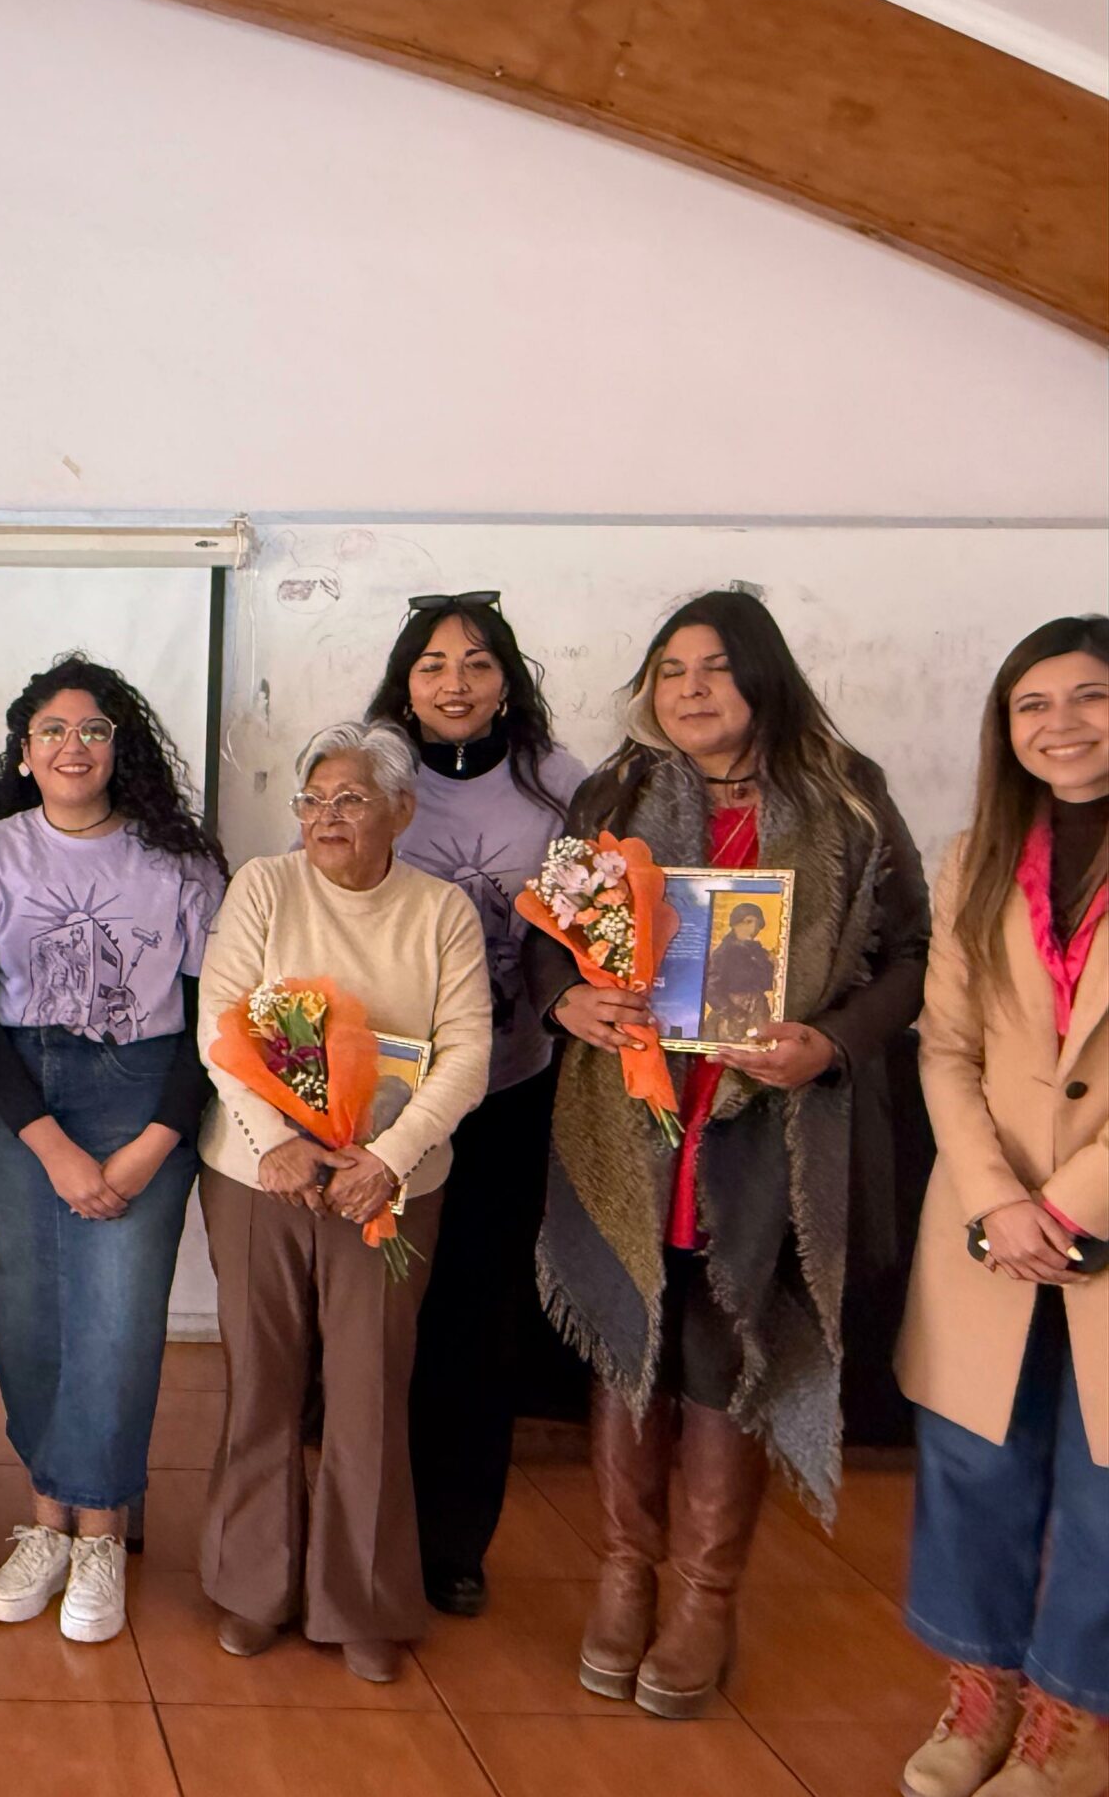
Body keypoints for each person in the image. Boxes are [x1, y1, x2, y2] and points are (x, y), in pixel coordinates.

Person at [534, 589, 928, 1721]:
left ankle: (706, 1597)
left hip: (769, 1120)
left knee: (727, 1344)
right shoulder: (614, 793)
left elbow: (909, 955)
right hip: (631, 1115)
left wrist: (832, 1043)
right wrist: (567, 1003)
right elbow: (549, 935)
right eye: (670, 671)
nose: (689, 690)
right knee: (630, 1339)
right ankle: (625, 1573)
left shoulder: (846, 796)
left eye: (712, 668)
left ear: (762, 676)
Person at [197, 719, 489, 1680]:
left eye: (351, 799)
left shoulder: (442, 911)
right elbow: (219, 1025)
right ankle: (252, 1587)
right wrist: (276, 1144)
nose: (327, 817)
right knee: (263, 1383)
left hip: (389, 1184)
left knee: (369, 1392)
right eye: (313, 800)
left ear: (400, 811)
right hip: (260, 1178)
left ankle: (359, 1598)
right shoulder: (263, 886)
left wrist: (391, 1159)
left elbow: (467, 1054)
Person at [0, 655, 227, 1645]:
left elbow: (213, 1016)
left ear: (121, 747)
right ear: (24, 754)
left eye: (94, 730)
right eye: (53, 731)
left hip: (142, 1091)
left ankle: (99, 1532)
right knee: (23, 1314)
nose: (74, 746)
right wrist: (50, 1146)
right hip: (21, 1096)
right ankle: (48, 1523)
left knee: (116, 1319)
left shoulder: (181, 862)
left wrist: (155, 1140)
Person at [895, 615, 1109, 1797]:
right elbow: (947, 1046)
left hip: (1092, 1216)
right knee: (974, 1459)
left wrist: (1071, 1204)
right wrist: (995, 1198)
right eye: (1033, 705)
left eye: (1088, 698)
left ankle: (1071, 1719)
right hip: (988, 1221)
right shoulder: (975, 858)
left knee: (1101, 1481)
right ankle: (980, 1691)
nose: (1060, 725)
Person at [364, 592, 587, 1617]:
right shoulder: (372, 778)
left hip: (509, 1084)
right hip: (383, 1096)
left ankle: (454, 1542)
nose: (454, 683)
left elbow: (588, 930)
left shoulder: (560, 787)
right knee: (381, 1316)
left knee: (477, 1316)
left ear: (506, 682)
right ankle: (367, 1531)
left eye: (477, 664)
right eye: (433, 665)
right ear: (405, 684)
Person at [703, 903, 778, 1044]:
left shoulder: (758, 953)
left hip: (758, 1012)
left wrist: (773, 965)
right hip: (730, 1017)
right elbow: (711, 989)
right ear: (735, 924)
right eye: (748, 922)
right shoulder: (724, 952)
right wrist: (734, 1014)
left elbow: (767, 984)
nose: (753, 928)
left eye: (757, 924)